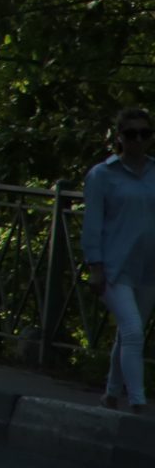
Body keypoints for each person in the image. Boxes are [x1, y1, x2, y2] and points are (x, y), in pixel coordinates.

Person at [84, 106, 155, 412]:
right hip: (114, 267)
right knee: (133, 332)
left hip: (149, 267)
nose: (138, 140)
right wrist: (95, 266)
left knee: (129, 331)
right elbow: (92, 224)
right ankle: (138, 400)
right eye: (131, 134)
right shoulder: (103, 175)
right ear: (119, 138)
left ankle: (112, 392)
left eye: (144, 133)